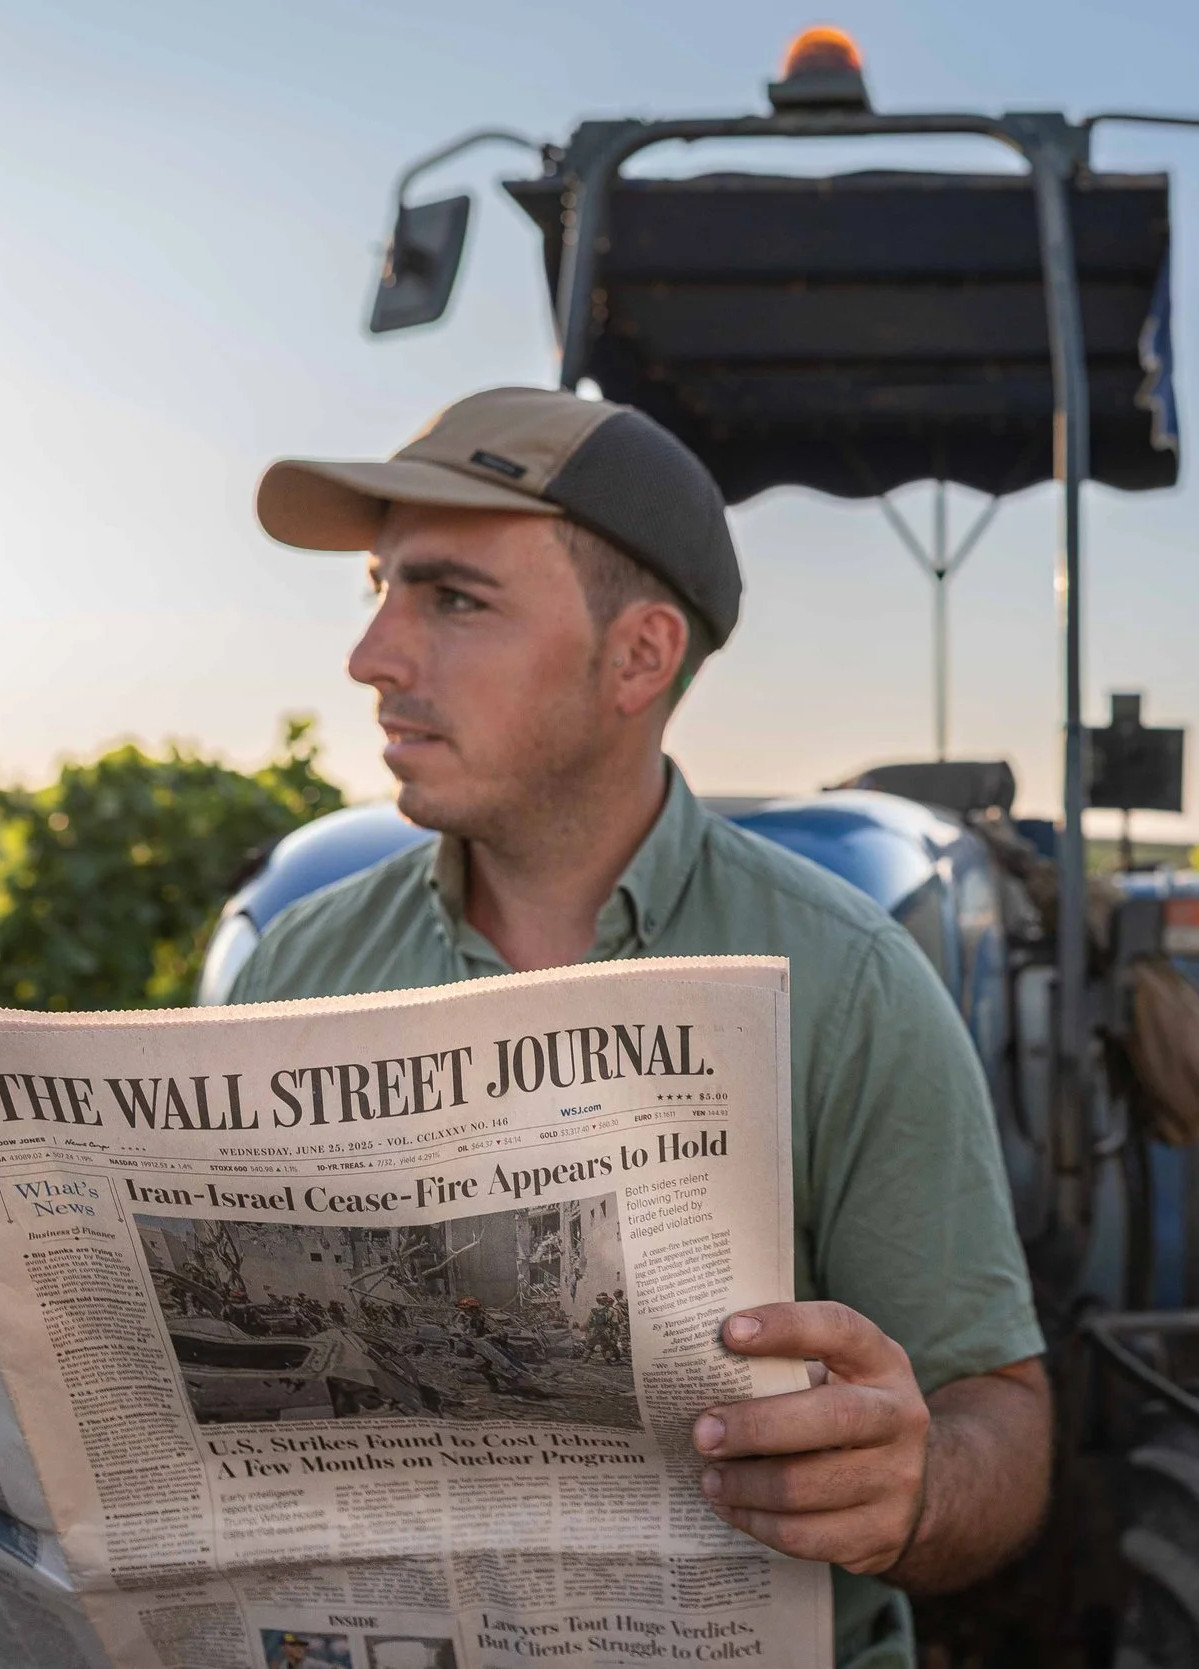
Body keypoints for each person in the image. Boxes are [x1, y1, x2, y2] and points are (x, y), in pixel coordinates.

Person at [229, 388, 1050, 1669]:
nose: (373, 655)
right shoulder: (297, 964)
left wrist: (918, 1482)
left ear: (639, 658)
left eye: (453, 600)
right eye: (381, 590)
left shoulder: (849, 981)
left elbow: (1000, 1412)